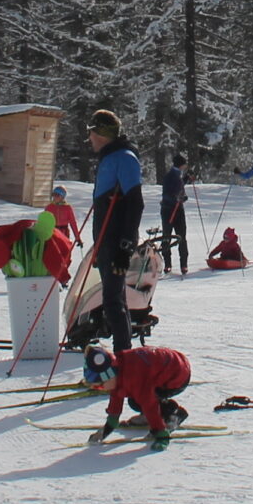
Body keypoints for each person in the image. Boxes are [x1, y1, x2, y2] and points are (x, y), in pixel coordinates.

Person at [82, 109, 145, 353]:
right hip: (106, 239)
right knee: (113, 300)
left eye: (92, 133)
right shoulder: (110, 157)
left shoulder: (124, 157)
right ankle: (124, 356)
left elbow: (136, 202)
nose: (89, 139)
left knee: (113, 301)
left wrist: (125, 246)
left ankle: (123, 359)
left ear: (102, 134)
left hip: (117, 240)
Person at [82, 344, 191, 450]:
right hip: (162, 366)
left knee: (141, 400)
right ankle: (159, 414)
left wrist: (161, 435)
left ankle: (173, 414)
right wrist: (105, 430)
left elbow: (149, 405)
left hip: (177, 375)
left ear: (108, 376)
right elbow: (115, 403)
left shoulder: (134, 378)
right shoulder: (117, 368)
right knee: (134, 401)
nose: (103, 389)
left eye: (101, 386)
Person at [158, 153, 190, 274]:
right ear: (181, 165)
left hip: (178, 209)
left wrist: (186, 179)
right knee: (167, 236)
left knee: (181, 235)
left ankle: (183, 264)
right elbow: (166, 193)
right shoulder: (170, 175)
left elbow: (179, 186)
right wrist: (176, 198)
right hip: (169, 209)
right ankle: (168, 264)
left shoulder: (178, 174)